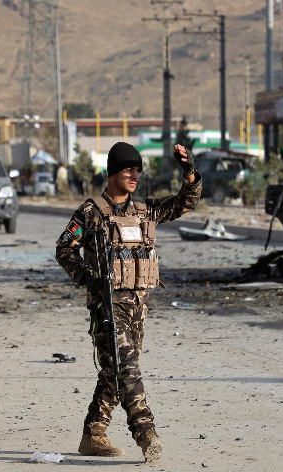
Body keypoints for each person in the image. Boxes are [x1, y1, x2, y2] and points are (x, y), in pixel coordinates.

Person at [55, 142, 201, 462]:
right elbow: (64, 248)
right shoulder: (91, 211)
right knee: (126, 367)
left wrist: (188, 170)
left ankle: (94, 433)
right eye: (128, 169)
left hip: (139, 304)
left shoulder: (145, 210)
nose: (135, 175)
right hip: (108, 304)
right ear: (113, 172)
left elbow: (184, 203)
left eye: (138, 170)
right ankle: (146, 432)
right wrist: (87, 277)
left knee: (114, 369)